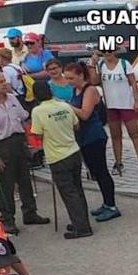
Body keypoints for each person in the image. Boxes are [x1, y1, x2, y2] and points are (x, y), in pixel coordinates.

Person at [0, 70, 48, 234]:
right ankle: (7, 219)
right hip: (1, 144)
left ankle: (30, 213)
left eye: (4, 80)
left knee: (25, 180)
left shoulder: (12, 98)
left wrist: (28, 143)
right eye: (0, 82)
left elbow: (22, 118)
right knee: (6, 185)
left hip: (18, 141)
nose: (4, 84)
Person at [29, 81, 92, 238]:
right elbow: (76, 126)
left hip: (57, 157)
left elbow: (37, 134)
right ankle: (81, 221)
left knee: (68, 193)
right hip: (74, 151)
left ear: (35, 95)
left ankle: (82, 228)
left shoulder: (38, 111)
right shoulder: (64, 106)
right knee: (77, 189)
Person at [65, 61, 120, 222]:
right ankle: (106, 202)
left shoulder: (90, 90)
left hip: (94, 136)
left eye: (71, 78)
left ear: (81, 75)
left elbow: (84, 114)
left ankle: (111, 206)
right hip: (82, 136)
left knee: (101, 171)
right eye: (66, 78)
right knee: (94, 172)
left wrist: (67, 106)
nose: (69, 81)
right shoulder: (75, 90)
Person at [91, 47, 138, 175]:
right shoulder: (101, 64)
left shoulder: (124, 64)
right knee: (115, 136)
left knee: (134, 133)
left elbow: (133, 83)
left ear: (115, 51)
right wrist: (93, 65)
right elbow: (94, 81)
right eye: (104, 52)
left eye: (110, 51)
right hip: (111, 105)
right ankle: (118, 161)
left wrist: (136, 101)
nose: (107, 54)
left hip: (126, 103)